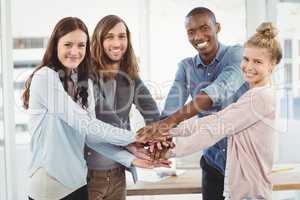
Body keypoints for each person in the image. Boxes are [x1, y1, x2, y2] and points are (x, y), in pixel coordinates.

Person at [22, 17, 163, 200]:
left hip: (78, 185)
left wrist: (131, 158)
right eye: (68, 44)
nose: (75, 51)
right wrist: (135, 137)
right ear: (55, 45)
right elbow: (85, 124)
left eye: (81, 45)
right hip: (50, 189)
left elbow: (91, 136)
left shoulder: (83, 82)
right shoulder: (45, 78)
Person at [138, 7, 248, 200]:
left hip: (243, 164)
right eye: (191, 31)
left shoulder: (236, 55)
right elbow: (171, 107)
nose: (198, 36)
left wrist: (166, 124)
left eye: (204, 28)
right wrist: (161, 141)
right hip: (212, 164)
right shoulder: (186, 67)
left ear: (218, 28)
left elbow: (217, 91)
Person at [166, 22, 282, 200]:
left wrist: (167, 150)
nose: (249, 66)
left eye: (257, 61)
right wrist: (168, 130)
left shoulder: (260, 98)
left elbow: (215, 129)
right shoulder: (252, 95)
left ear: (272, 65)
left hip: (250, 194)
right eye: (246, 59)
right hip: (241, 192)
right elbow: (215, 119)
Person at [85, 15, 161, 200]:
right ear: (99, 40)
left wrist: (158, 138)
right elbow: (102, 117)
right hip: (89, 174)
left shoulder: (130, 75)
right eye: (109, 37)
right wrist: (133, 140)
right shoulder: (87, 73)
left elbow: (151, 110)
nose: (117, 42)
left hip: (118, 171)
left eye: (122, 36)